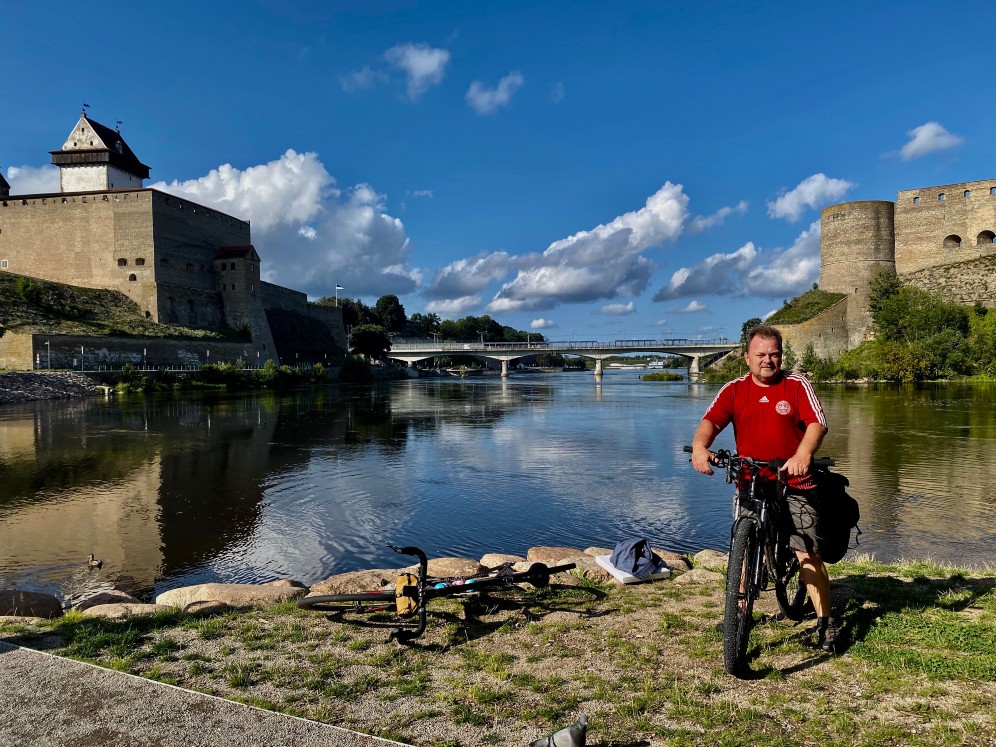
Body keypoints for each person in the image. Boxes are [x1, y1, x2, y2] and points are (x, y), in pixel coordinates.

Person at [690, 324, 839, 652]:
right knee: (741, 549)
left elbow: (817, 423)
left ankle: (826, 623)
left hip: (795, 480)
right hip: (751, 480)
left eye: (773, 354)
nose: (767, 360)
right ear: (747, 357)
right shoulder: (734, 389)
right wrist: (700, 447)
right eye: (760, 354)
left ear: (781, 356)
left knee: (806, 552)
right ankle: (738, 612)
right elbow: (711, 422)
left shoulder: (796, 385)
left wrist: (803, 454)